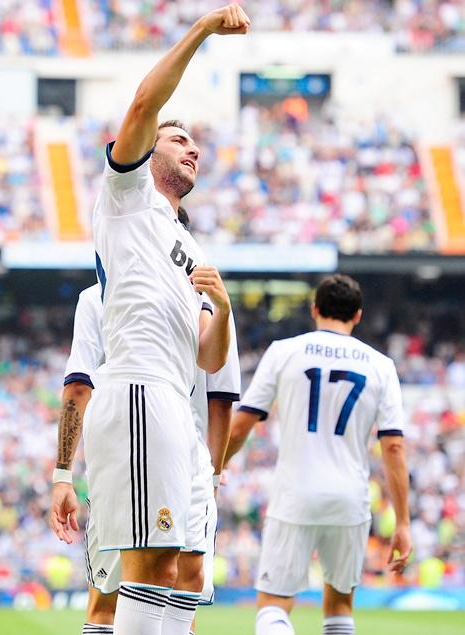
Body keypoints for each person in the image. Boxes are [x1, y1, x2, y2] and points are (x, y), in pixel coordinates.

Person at [51, 8, 249, 634]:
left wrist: (221, 310)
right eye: (177, 137)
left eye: (195, 141)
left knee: (185, 569)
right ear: (145, 151)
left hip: (177, 407)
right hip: (137, 391)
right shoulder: (126, 197)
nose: (192, 147)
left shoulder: (185, 247)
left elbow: (210, 359)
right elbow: (142, 104)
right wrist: (200, 32)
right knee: (144, 566)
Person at [225, 274, 412, 635]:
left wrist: (215, 471)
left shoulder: (284, 351)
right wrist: (402, 521)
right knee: (340, 607)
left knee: (273, 606)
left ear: (314, 309)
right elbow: (393, 446)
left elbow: (240, 426)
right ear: (357, 316)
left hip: (295, 493)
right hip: (349, 499)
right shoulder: (381, 365)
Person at [50, 281, 241, 634]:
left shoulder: (97, 296)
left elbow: (78, 386)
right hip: (189, 459)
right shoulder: (208, 301)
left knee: (107, 599)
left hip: (122, 451)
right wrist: (212, 476)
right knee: (183, 589)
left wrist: (63, 474)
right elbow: (222, 398)